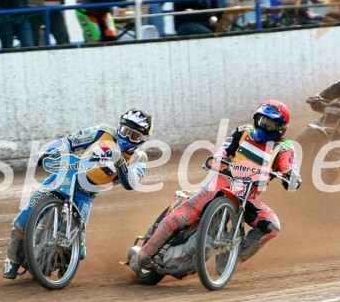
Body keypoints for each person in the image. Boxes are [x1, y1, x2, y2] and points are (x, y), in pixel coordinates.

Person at [128, 101, 300, 273]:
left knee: (272, 226)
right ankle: (144, 255)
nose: (264, 126)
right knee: (183, 216)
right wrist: (219, 158)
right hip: (219, 184)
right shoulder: (243, 131)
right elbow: (224, 149)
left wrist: (291, 175)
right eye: (261, 121)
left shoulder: (284, 147)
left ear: (280, 128)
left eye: (269, 123)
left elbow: (289, 166)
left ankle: (231, 258)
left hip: (247, 196)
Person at [3, 109, 154, 279]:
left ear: (143, 139)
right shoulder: (102, 132)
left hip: (85, 195)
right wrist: (48, 152)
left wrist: (120, 163)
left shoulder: (139, 158)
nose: (127, 138)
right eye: (125, 131)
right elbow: (70, 141)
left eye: (134, 136)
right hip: (63, 177)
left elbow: (131, 183)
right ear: (119, 127)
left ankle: (59, 263)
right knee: (22, 221)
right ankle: (12, 260)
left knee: (78, 250)